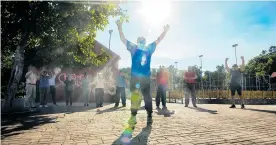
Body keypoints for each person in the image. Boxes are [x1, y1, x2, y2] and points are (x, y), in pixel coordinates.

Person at [116, 19, 170, 131]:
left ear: (145, 42)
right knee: (135, 98)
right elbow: (123, 39)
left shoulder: (148, 48)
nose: (141, 41)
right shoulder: (134, 48)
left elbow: (158, 40)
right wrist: (120, 27)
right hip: (135, 79)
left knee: (147, 98)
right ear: (137, 41)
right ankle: (133, 117)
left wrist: (165, 31)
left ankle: (149, 116)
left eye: (143, 40)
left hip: (145, 79)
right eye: (140, 40)